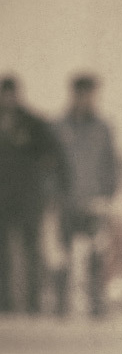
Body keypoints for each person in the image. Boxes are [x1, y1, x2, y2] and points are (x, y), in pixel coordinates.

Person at [0, 75, 66, 314]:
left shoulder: (33, 123)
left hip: (29, 197)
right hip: (3, 199)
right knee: (3, 254)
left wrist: (52, 184)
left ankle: (32, 303)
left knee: (31, 249)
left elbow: (55, 155)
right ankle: (5, 303)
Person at [54, 73, 118, 317]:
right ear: (75, 94)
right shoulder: (59, 127)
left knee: (96, 254)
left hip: (94, 202)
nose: (87, 100)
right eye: (82, 94)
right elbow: (51, 166)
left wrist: (107, 196)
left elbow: (111, 165)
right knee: (63, 254)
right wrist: (55, 196)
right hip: (66, 201)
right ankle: (61, 304)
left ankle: (96, 303)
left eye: (91, 95)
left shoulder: (103, 129)